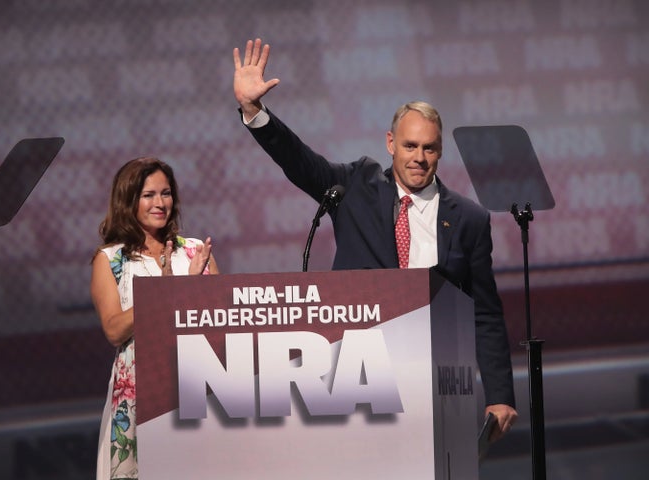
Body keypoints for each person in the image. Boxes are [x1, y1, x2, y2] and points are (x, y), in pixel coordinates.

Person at [233, 38, 518, 440]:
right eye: (409, 145)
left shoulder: (469, 218)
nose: (418, 157)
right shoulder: (355, 185)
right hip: (357, 375)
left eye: (429, 148)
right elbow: (298, 160)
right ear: (390, 144)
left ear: (440, 153)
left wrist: (500, 394)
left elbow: (484, 312)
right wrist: (254, 111)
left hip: (434, 379)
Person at [91, 156, 219, 479]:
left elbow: (220, 322)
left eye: (166, 193)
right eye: (148, 195)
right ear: (128, 200)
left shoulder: (193, 252)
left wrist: (193, 289)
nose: (160, 203)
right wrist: (165, 292)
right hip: (137, 394)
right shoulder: (111, 260)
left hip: (193, 386)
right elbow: (114, 329)